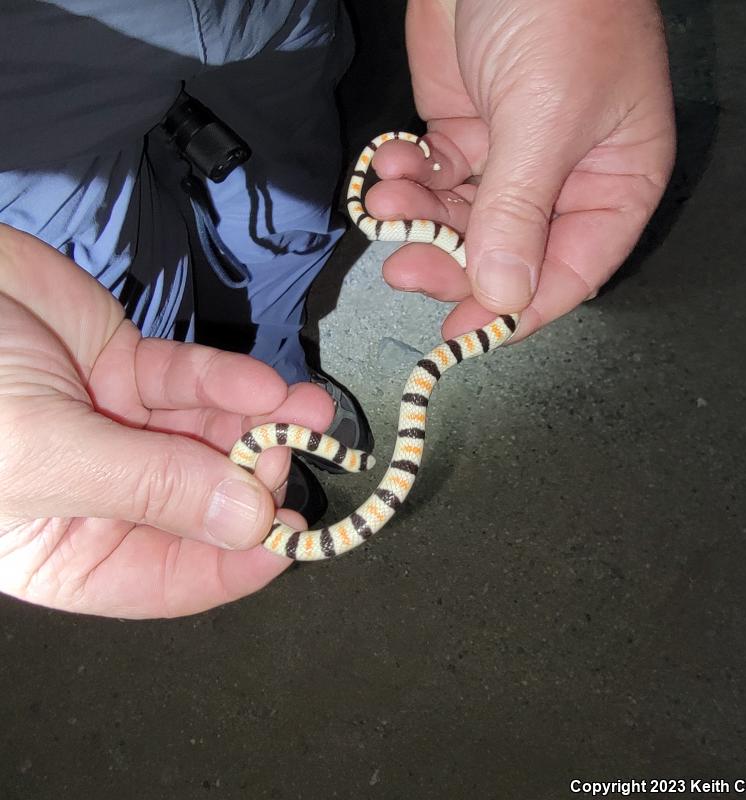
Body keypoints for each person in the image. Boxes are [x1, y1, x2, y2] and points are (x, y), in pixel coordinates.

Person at [0, 0, 675, 618]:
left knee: (286, 203)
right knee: (105, 317)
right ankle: (257, 439)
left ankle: (275, 387)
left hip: (269, 20)